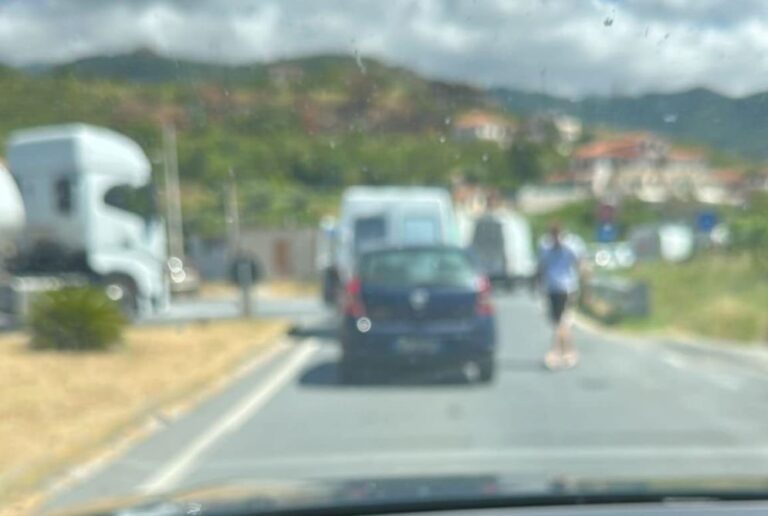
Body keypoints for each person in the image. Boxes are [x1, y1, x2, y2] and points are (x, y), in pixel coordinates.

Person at [537, 223, 583, 369]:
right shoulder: (545, 247)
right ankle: (569, 351)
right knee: (560, 322)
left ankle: (555, 352)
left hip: (567, 287)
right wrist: (539, 285)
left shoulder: (570, 247)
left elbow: (579, 263)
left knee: (561, 320)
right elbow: (541, 267)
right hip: (552, 288)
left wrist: (581, 284)